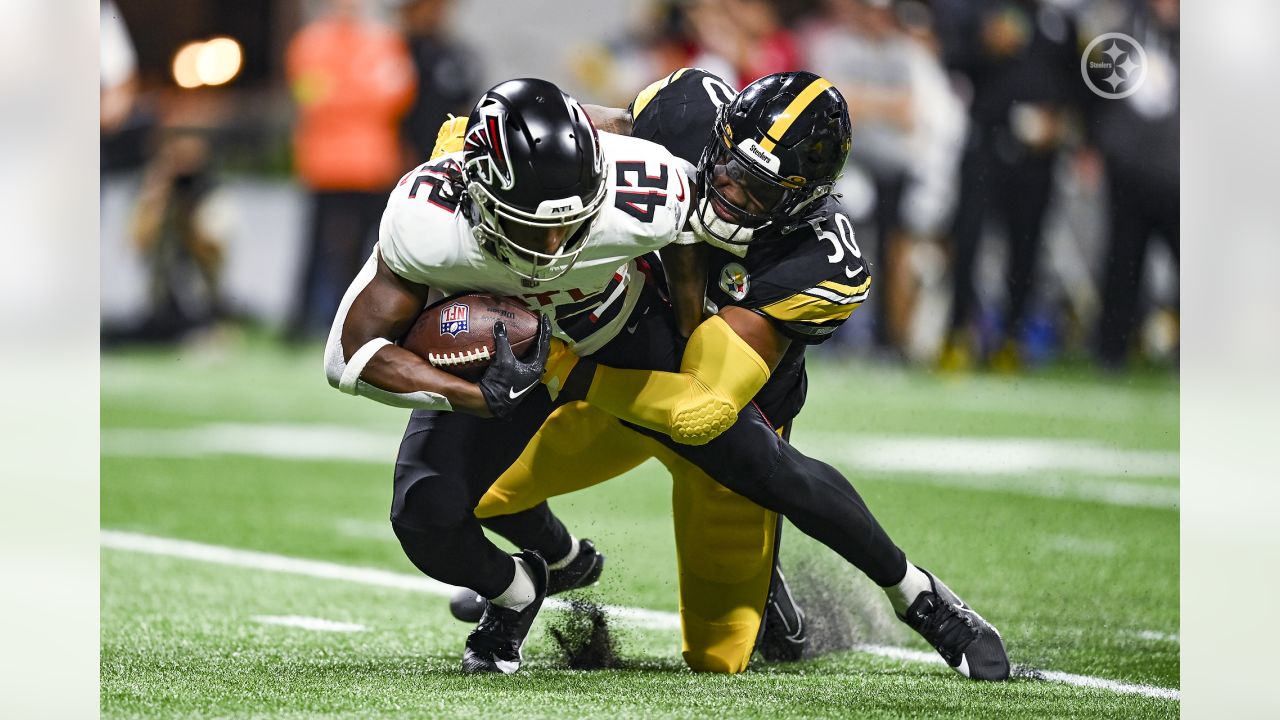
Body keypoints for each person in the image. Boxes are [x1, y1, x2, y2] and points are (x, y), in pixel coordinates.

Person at [464, 70, 1011, 680]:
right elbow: (595, 129)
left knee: (718, 658)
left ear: (803, 201)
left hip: (722, 424)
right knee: (472, 494)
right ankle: (560, 562)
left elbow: (700, 406)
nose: (728, 191)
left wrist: (564, 368)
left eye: (758, 191)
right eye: (725, 166)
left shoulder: (820, 259)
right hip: (623, 380)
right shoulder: (685, 113)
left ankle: (919, 596)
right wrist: (494, 143)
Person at [324, 78, 699, 673]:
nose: (552, 245)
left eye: (569, 225)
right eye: (530, 226)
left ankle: (774, 585)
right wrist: (471, 395)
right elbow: (351, 355)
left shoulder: (649, 185)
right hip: (505, 361)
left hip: (620, 336)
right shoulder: (430, 222)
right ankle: (519, 588)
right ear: (478, 193)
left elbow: (691, 237)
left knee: (725, 443)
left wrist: (689, 328)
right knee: (426, 514)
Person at [286, 0, 417, 340]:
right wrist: (361, 92)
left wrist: (342, 92)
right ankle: (303, 323)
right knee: (318, 246)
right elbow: (311, 96)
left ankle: (367, 323)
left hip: (372, 163)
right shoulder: (311, 42)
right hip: (328, 164)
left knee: (375, 250)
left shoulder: (383, 40)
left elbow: (398, 94)